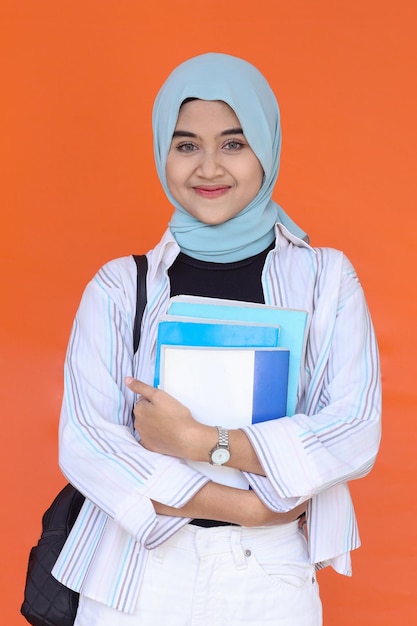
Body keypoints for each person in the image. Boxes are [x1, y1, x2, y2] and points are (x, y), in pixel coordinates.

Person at [52, 53, 381, 625]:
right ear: (163, 152)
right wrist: (245, 507)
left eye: (233, 143)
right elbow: (87, 443)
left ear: (266, 148)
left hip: (270, 576)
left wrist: (200, 440)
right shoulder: (118, 286)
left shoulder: (326, 278)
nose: (209, 167)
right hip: (134, 570)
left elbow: (354, 428)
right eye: (186, 145)